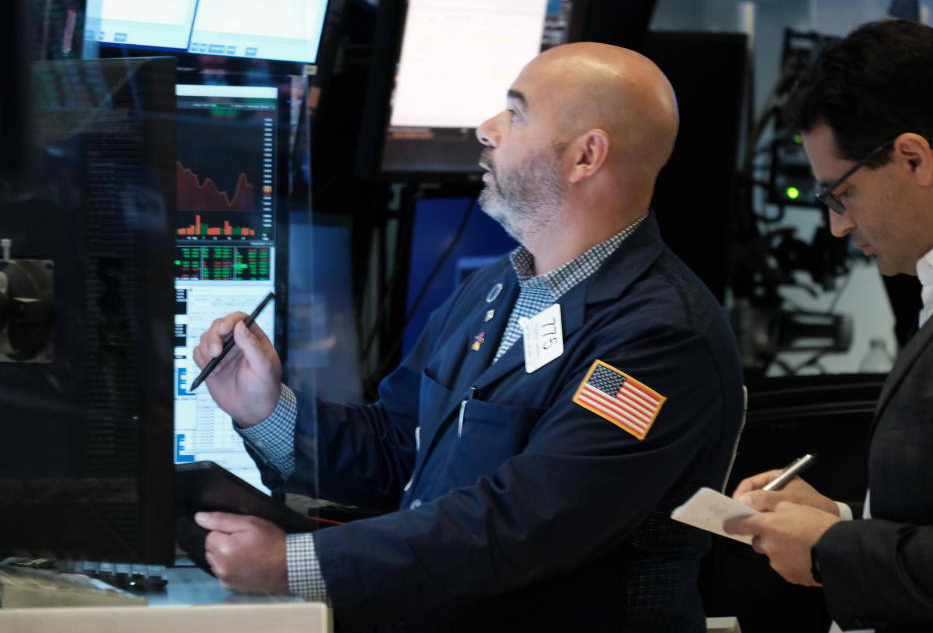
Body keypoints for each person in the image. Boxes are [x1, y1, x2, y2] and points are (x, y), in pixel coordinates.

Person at [193, 42, 744, 631]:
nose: (486, 130)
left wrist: (295, 565)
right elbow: (397, 449)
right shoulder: (494, 289)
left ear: (587, 156)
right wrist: (265, 411)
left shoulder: (659, 337)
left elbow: (526, 523)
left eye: (516, 113)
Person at [724, 20, 933, 632]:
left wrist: (830, 551)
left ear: (912, 158)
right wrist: (839, 521)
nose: (838, 228)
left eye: (840, 195)